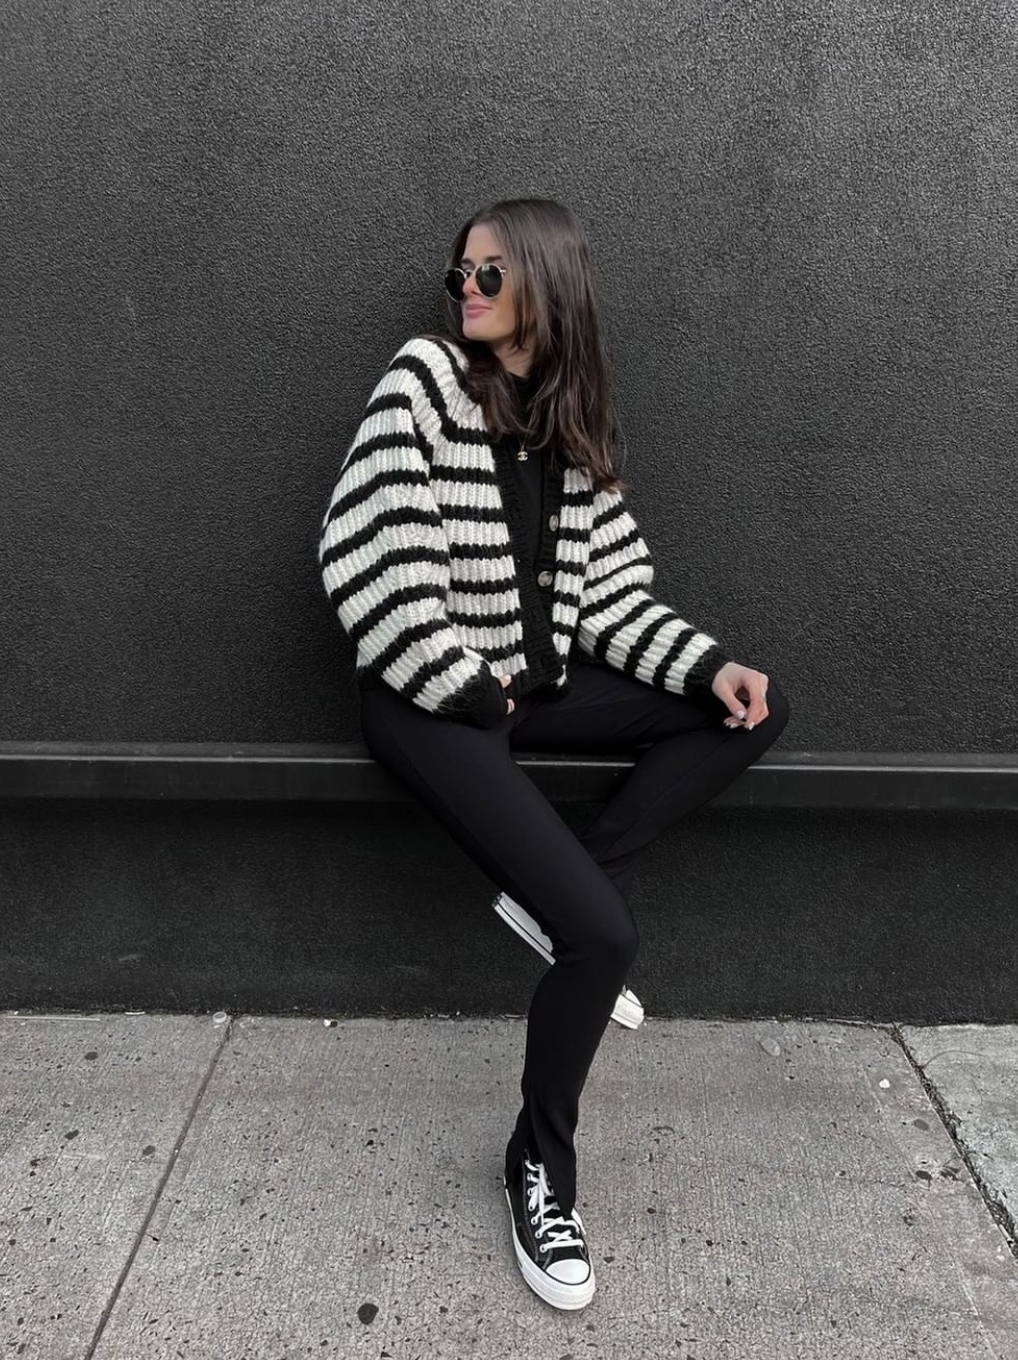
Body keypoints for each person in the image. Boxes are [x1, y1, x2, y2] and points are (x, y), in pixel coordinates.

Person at [319, 198, 788, 1312]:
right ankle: (540, 1167)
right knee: (605, 939)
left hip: (530, 689)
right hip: (430, 700)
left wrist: (705, 665)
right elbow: (363, 546)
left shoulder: (573, 423)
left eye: (491, 272)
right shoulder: (425, 380)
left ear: (546, 281)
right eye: (462, 272)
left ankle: (570, 879)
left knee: (745, 709)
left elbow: (611, 602)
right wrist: (456, 677)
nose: (467, 289)